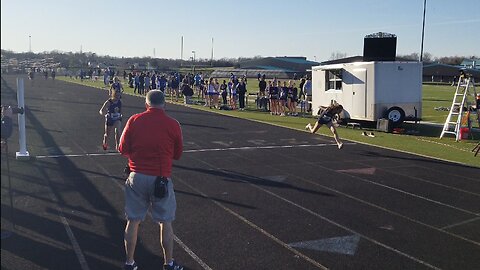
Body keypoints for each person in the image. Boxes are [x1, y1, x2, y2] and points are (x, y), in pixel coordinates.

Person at [118, 90, 184, 270]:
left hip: (137, 176)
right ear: (165, 104)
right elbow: (178, 154)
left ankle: (130, 262)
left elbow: (122, 148)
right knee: (166, 222)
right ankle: (168, 263)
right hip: (161, 178)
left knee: (133, 221)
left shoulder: (134, 120)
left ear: (146, 105)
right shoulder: (173, 124)